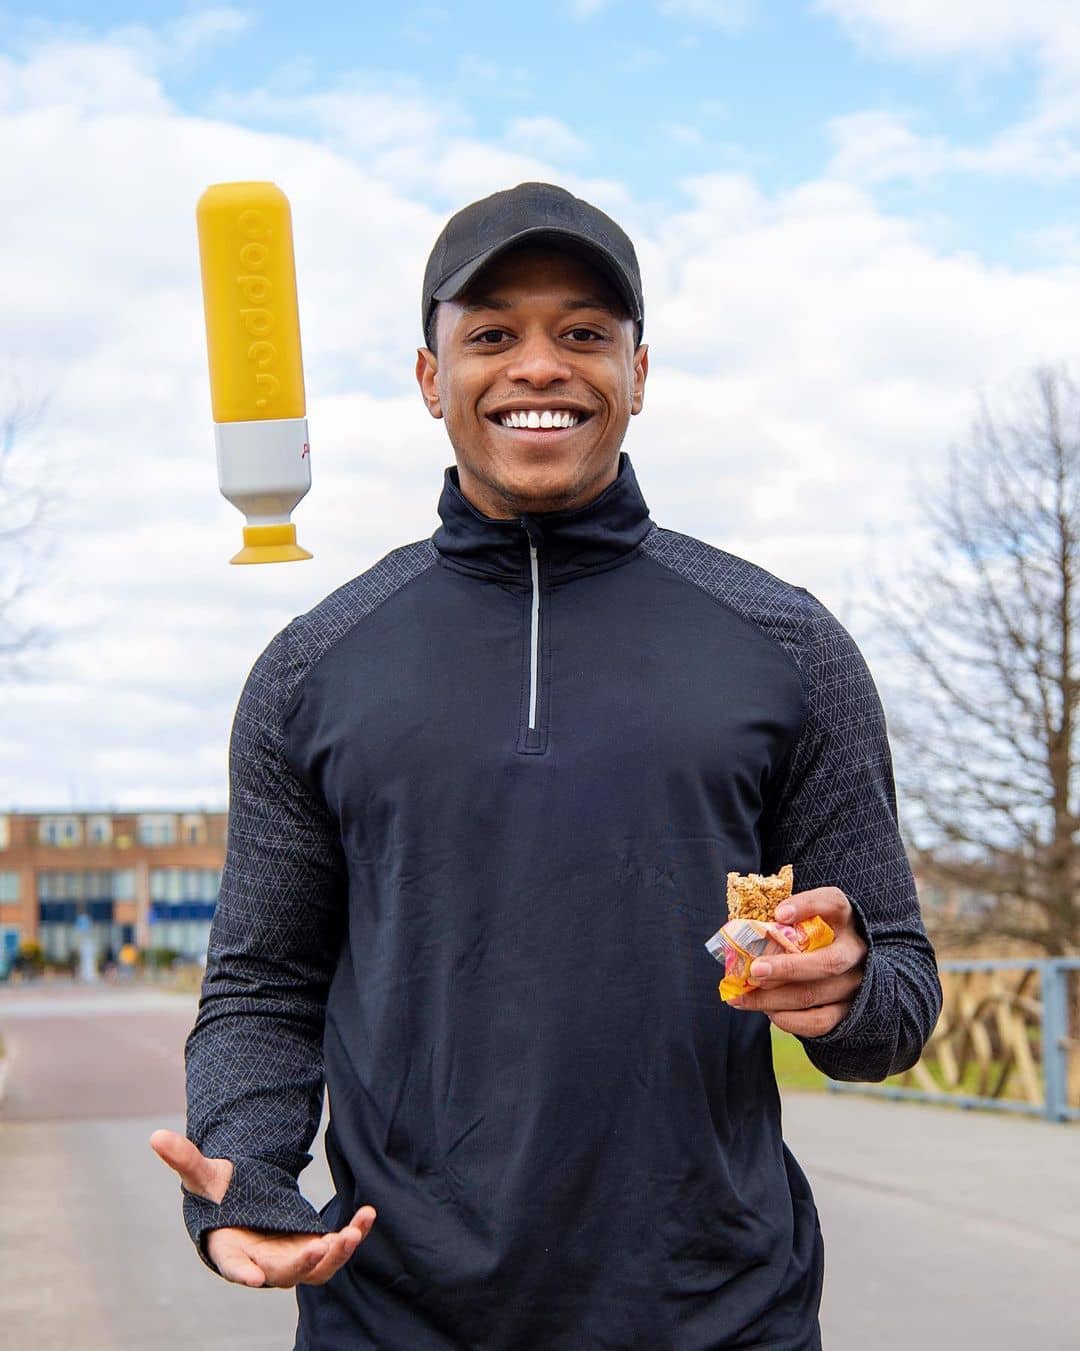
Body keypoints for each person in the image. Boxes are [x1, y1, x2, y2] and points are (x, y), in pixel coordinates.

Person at [150, 181, 942, 1349]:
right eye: (491, 334)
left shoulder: (789, 645)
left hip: (718, 1313)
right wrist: (250, 1172)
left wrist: (850, 993)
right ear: (431, 378)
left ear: (637, 373)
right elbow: (264, 985)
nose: (539, 365)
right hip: (396, 1317)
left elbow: (901, 992)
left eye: (582, 332)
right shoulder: (310, 668)